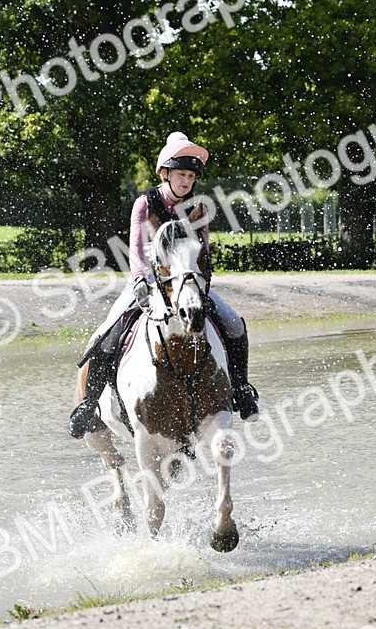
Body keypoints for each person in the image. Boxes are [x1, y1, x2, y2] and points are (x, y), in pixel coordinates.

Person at [68, 131, 260, 438]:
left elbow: (204, 255)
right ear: (164, 173)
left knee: (234, 324)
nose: (186, 182)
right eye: (181, 175)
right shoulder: (144, 204)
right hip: (147, 283)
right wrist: (142, 284)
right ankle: (89, 404)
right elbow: (135, 252)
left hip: (188, 285)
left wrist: (202, 286)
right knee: (106, 334)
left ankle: (240, 387)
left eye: (191, 177)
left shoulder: (199, 209)